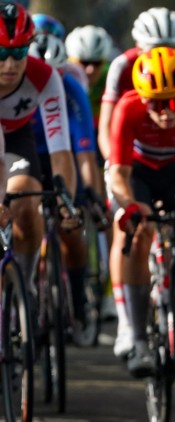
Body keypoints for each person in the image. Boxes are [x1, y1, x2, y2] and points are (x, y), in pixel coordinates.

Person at [98, 6, 175, 360]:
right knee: (133, 230)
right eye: (156, 103)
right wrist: (126, 203)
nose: (167, 111)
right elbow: (118, 171)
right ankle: (134, 330)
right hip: (138, 169)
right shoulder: (128, 100)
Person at [28, 33, 102, 346]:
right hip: (27, 158)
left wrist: (91, 194)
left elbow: (85, 153)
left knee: (72, 227)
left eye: (55, 74)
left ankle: (77, 298)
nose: (48, 82)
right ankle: (22, 295)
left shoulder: (70, 90)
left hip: (63, 158)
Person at [0, 2, 77, 303]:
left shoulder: (45, 77)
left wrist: (65, 202)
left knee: (27, 203)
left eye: (18, 53)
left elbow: (60, 152)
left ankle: (24, 288)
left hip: (18, 138)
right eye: (1, 54)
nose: (9, 64)